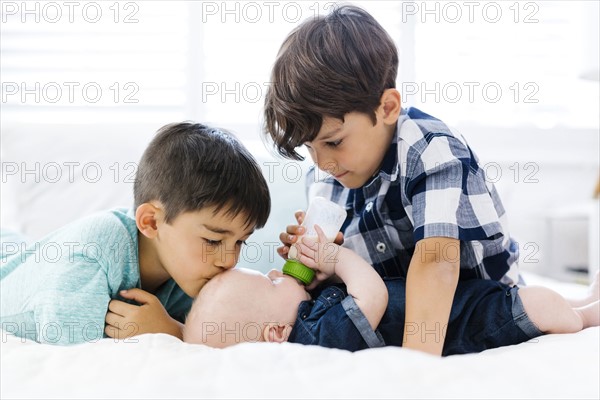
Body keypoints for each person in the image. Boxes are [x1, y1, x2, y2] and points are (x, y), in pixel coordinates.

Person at [263, 5, 534, 355]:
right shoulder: (326, 180)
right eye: (309, 148)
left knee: (545, 309)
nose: (323, 163)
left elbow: (437, 262)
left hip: (487, 307)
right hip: (403, 314)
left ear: (387, 108)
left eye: (333, 142)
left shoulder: (430, 149)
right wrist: (322, 267)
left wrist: (413, 369)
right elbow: (366, 283)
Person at [0, 122, 271, 345]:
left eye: (240, 242)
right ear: (151, 222)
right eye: (213, 240)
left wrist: (173, 331)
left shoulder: (188, 273)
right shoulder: (90, 260)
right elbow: (73, 358)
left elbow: (222, 338)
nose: (230, 260)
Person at [183, 225, 600, 354]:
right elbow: (373, 296)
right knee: (540, 305)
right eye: (271, 281)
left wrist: (322, 275)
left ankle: (585, 301)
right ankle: (586, 317)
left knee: (548, 299)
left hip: (452, 305)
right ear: (275, 333)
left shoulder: (310, 321)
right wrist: (337, 261)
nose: (279, 273)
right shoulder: (314, 336)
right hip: (464, 324)